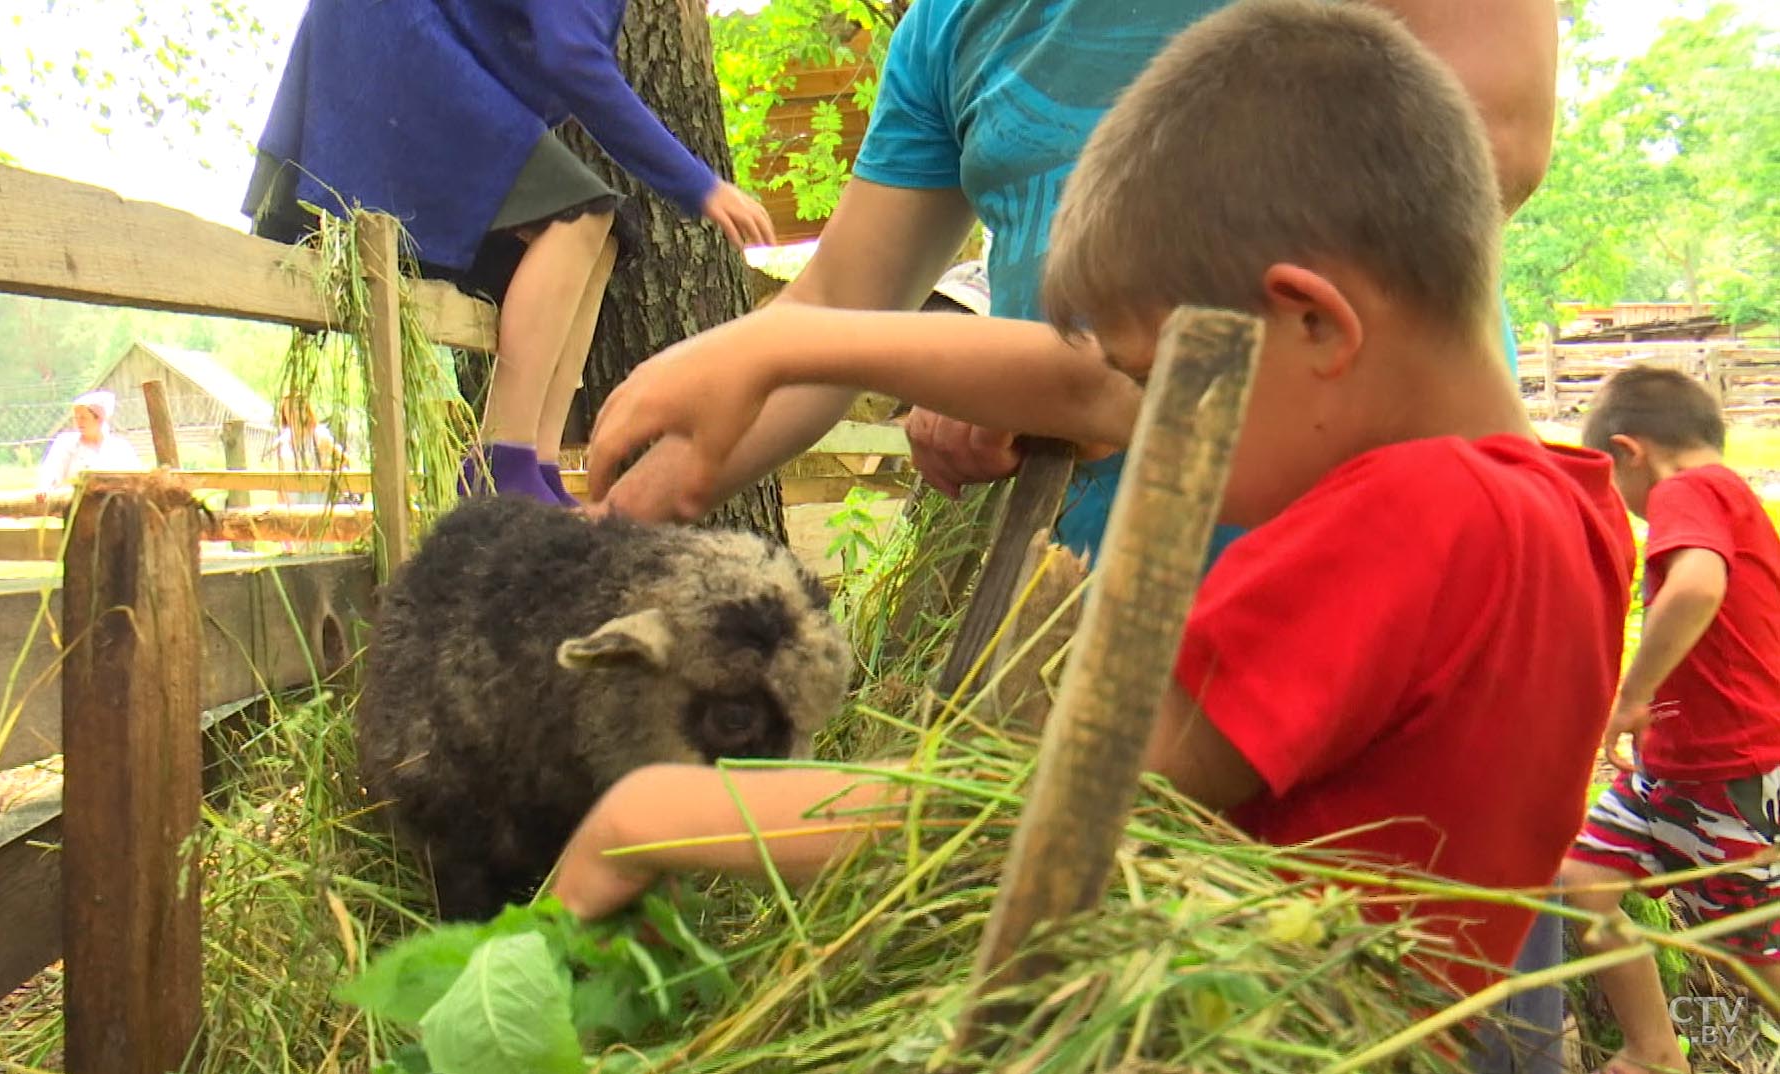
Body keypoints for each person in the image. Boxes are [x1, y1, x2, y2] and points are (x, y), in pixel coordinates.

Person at [562, 0, 1634, 1038]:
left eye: (1155, 380)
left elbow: (1051, 812)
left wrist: (661, 813)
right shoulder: (1562, 508)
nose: (1126, 422)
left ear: (1311, 320)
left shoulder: (1399, 525)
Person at [591, 0, 1558, 559]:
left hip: (1363, 567)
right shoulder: (954, 23)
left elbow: (1471, 168)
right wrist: (620, 516)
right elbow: (846, 295)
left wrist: (982, 369)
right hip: (1084, 582)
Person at [244, 0, 775, 508]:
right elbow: (572, 59)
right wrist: (699, 185)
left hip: (423, 52)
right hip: (392, 50)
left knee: (601, 229)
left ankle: (536, 463)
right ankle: (501, 461)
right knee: (578, 213)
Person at [1558, 368, 1780, 1074]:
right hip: (1672, 771)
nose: (1631, 510)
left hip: (1728, 770)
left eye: (1620, 492)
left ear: (1631, 452)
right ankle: (1655, 1050)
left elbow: (1696, 585)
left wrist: (1632, 695)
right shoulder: (1731, 500)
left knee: (1751, 950)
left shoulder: (1690, 490)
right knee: (1582, 881)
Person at [37, 391, 142, 494]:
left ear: (99, 420)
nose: (78, 422)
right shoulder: (65, 444)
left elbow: (136, 480)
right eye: (76, 418)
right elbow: (50, 471)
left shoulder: (120, 448)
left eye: (83, 417)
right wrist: (44, 488)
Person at [267, 393, 349, 508]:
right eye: (290, 409)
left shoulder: (319, 436)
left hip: (316, 502)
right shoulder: (282, 442)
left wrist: (327, 470)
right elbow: (278, 481)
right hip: (291, 504)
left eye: (299, 408)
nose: (295, 413)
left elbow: (342, 459)